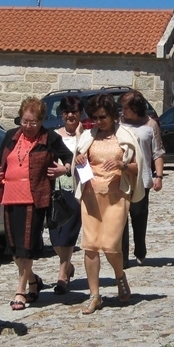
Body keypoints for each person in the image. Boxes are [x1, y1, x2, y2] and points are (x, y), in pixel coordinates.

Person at [0, 98, 73, 311]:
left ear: (42, 120)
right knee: (14, 249)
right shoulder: (10, 136)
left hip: (35, 198)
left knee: (26, 247)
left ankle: (20, 291)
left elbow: (69, 158)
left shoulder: (50, 138)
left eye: (33, 122)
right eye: (24, 121)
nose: (28, 126)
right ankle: (34, 280)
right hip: (10, 196)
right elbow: (0, 162)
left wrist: (63, 170)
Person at [74, 94, 144, 315]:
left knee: (111, 246)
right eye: (94, 117)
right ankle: (95, 295)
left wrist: (122, 165)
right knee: (90, 246)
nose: (98, 121)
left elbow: (138, 168)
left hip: (117, 196)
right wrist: (78, 160)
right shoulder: (87, 137)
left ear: (112, 114)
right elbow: (77, 164)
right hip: (91, 195)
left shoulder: (126, 136)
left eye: (102, 116)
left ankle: (120, 276)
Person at [120, 90, 165, 267]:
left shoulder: (151, 125)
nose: (123, 111)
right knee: (120, 218)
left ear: (136, 108)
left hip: (142, 177)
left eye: (126, 108)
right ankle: (122, 257)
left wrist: (158, 176)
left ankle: (140, 250)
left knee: (139, 215)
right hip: (121, 177)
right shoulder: (119, 123)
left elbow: (157, 152)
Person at [49, 96, 84, 293]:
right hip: (56, 190)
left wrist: (79, 135)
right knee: (55, 238)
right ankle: (68, 266)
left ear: (80, 113)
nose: (70, 115)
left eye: (74, 112)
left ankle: (62, 276)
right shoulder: (54, 136)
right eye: (66, 112)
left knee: (68, 235)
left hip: (76, 189)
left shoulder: (86, 135)